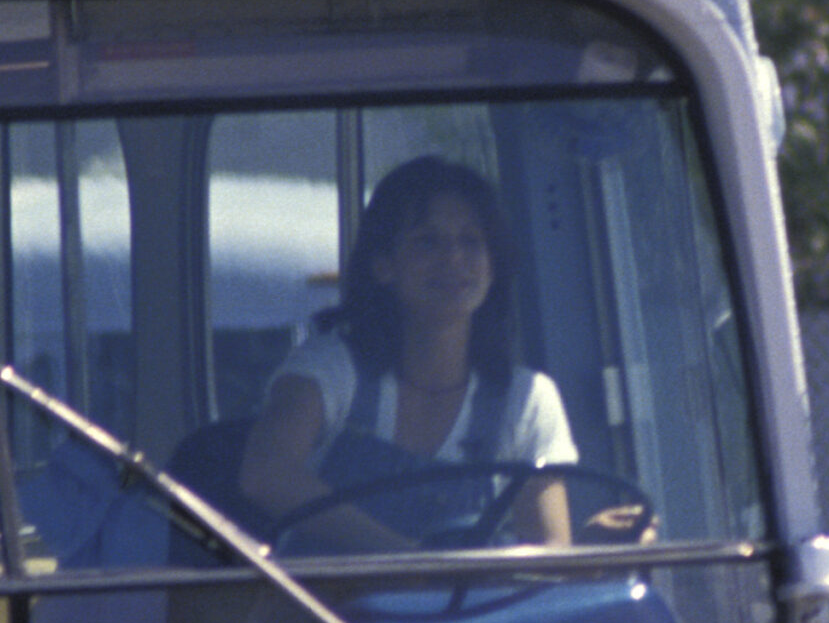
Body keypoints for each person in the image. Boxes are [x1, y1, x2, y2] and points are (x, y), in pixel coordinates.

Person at [238, 156, 576, 550]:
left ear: (493, 266)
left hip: (465, 613)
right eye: (427, 241)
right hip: (320, 608)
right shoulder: (329, 369)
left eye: (471, 241)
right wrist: (407, 559)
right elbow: (264, 475)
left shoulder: (528, 399)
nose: (453, 259)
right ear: (383, 265)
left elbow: (551, 555)